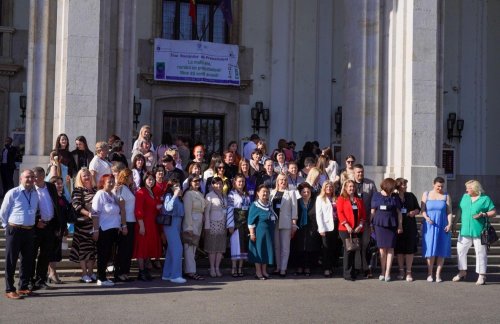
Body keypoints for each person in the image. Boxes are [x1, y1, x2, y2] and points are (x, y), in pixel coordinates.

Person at [1, 170, 39, 299]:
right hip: (15, 230)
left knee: (27, 260)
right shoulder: (13, 193)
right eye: (27, 177)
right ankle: (9, 289)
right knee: (11, 261)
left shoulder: (35, 194)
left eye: (32, 177)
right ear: (21, 179)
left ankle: (23, 287)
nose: (30, 179)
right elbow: (3, 212)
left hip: (29, 230)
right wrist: (7, 227)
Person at [453, 180, 496, 285]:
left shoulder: (485, 199)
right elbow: (460, 211)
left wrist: (483, 214)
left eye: (469, 188)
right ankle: (462, 271)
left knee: (481, 253)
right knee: (460, 251)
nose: (466, 189)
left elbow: (494, 212)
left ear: (475, 189)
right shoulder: (465, 197)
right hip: (464, 231)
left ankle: (482, 275)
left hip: (479, 231)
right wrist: (454, 223)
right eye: (466, 187)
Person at [31, 167, 61, 291]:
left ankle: (41, 280)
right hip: (35, 227)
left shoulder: (51, 187)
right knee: (31, 255)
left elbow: (55, 205)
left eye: (36, 177)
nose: (33, 179)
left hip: (49, 226)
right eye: (33, 177)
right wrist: (36, 221)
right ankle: (29, 281)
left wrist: (58, 225)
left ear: (43, 176)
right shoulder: (30, 189)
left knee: (45, 255)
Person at [91, 174, 123, 286]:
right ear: (103, 182)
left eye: (112, 181)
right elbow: (95, 213)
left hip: (113, 229)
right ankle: (101, 278)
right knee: (103, 254)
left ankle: (104, 276)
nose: (111, 183)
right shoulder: (100, 194)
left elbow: (118, 210)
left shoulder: (112, 195)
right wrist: (95, 230)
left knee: (108, 254)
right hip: (103, 229)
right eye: (109, 181)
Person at [371, 178, 403, 282]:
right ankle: (382, 272)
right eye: (392, 188)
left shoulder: (395, 196)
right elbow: (373, 210)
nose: (394, 190)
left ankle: (388, 273)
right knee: (381, 249)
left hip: (392, 225)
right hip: (379, 224)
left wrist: (400, 226)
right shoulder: (376, 195)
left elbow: (399, 212)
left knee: (390, 249)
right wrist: (370, 224)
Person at [421, 176, 452, 283]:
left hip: (442, 225)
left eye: (442, 186)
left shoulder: (446, 196)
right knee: (430, 249)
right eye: (438, 186)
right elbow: (423, 209)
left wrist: (450, 224)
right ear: (433, 184)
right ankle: (430, 273)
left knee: (441, 249)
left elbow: (449, 212)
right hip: (430, 225)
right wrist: (426, 217)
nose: (440, 188)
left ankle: (438, 274)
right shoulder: (426, 194)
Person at [69, 168, 98, 283]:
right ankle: (84, 273)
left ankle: (91, 272)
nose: (87, 177)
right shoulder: (77, 190)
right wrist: (89, 214)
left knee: (92, 249)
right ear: (80, 178)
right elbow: (76, 205)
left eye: (88, 175)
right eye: (84, 176)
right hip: (82, 224)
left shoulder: (96, 190)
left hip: (94, 224)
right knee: (83, 249)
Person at [134, 172, 162, 281]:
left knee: (147, 247)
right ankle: (141, 272)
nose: (151, 181)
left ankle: (145, 270)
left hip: (151, 223)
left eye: (152, 179)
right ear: (144, 180)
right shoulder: (141, 191)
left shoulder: (151, 192)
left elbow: (153, 207)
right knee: (142, 248)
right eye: (149, 179)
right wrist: (141, 225)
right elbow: (138, 210)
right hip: (144, 223)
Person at [337, 180, 366, 281]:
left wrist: (360, 226)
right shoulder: (341, 199)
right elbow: (340, 213)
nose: (351, 188)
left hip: (356, 229)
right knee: (348, 250)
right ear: (345, 188)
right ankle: (347, 273)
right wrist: (347, 225)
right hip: (345, 229)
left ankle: (353, 271)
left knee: (354, 251)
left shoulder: (358, 200)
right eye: (349, 187)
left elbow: (363, 215)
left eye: (353, 186)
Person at [270, 173, 298, 277]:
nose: (283, 182)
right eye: (281, 180)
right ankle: (277, 267)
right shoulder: (272, 193)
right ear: (277, 181)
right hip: (274, 223)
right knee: (276, 246)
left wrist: (294, 225)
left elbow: (294, 210)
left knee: (285, 247)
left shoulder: (291, 193)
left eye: (285, 180)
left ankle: (283, 268)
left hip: (286, 223)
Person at [352, 164, 377, 278]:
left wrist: (372, 213)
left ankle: (367, 269)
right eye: (358, 172)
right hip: (353, 221)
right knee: (355, 246)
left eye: (362, 172)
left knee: (365, 245)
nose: (360, 174)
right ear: (354, 173)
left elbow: (375, 199)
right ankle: (356, 268)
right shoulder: (349, 184)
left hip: (366, 220)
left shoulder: (370, 184)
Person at [47, 176, 73, 284]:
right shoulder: (50, 197)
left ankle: (50, 273)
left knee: (56, 252)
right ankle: (52, 273)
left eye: (61, 183)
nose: (60, 185)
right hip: (52, 228)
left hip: (61, 228)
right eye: (57, 183)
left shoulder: (62, 196)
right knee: (52, 252)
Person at [394, 178, 420, 282]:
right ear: (398, 186)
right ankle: (401, 271)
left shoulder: (411, 195)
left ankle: (409, 272)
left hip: (410, 226)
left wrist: (414, 212)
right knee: (399, 250)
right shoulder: (394, 196)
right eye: (404, 184)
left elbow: (418, 208)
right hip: (398, 227)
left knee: (409, 250)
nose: (405, 186)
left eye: (406, 184)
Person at [161, 180, 187, 283]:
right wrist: (174, 196)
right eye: (175, 186)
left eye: (179, 186)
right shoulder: (169, 195)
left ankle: (167, 274)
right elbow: (167, 208)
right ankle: (175, 275)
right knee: (177, 248)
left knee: (171, 251)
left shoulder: (180, 197)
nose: (178, 188)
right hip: (170, 224)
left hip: (177, 224)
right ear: (171, 187)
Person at [113, 168, 136, 282]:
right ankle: (120, 273)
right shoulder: (122, 188)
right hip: (126, 222)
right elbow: (122, 208)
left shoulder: (128, 188)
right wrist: (124, 225)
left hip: (131, 221)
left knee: (128, 249)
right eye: (131, 176)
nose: (132, 178)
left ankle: (125, 272)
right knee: (123, 249)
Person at [293, 182, 321, 276]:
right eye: (303, 192)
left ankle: (308, 267)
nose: (306, 193)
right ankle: (300, 267)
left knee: (310, 248)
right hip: (299, 228)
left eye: (307, 191)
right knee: (299, 247)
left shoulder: (315, 202)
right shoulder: (297, 202)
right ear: (300, 192)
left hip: (312, 227)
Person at [182, 175, 207, 280]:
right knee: (189, 248)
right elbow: (187, 212)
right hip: (191, 222)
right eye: (195, 181)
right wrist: (189, 227)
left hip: (199, 222)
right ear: (190, 182)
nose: (197, 182)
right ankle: (190, 271)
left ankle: (190, 269)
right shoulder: (188, 194)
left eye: (199, 181)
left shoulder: (200, 194)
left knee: (193, 248)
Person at [227, 174, 252, 277]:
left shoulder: (246, 194)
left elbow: (249, 209)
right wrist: (230, 225)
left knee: (243, 246)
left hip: (245, 223)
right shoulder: (231, 194)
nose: (241, 183)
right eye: (239, 181)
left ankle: (240, 267)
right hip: (236, 223)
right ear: (235, 183)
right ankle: (234, 268)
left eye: (243, 181)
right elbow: (229, 209)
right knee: (235, 245)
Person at [248, 185, 275, 280]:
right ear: (258, 193)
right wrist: (252, 234)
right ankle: (258, 272)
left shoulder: (269, 204)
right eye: (263, 191)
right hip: (259, 233)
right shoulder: (255, 205)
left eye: (267, 192)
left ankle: (264, 271)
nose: (265, 193)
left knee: (266, 251)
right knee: (259, 251)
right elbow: (250, 221)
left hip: (268, 232)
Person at [204, 177, 228, 277]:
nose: (219, 186)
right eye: (216, 184)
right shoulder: (209, 196)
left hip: (222, 224)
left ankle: (217, 268)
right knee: (212, 248)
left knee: (220, 248)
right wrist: (207, 226)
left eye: (220, 184)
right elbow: (206, 213)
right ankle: (212, 268)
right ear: (212, 185)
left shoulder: (224, 196)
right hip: (212, 224)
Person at [315, 180, 338, 277]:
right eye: (327, 187)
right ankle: (326, 268)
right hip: (325, 226)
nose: (329, 188)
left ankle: (331, 266)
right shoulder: (320, 198)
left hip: (336, 225)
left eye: (331, 187)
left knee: (333, 248)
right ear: (324, 188)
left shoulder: (336, 198)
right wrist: (321, 228)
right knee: (326, 248)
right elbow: (318, 214)